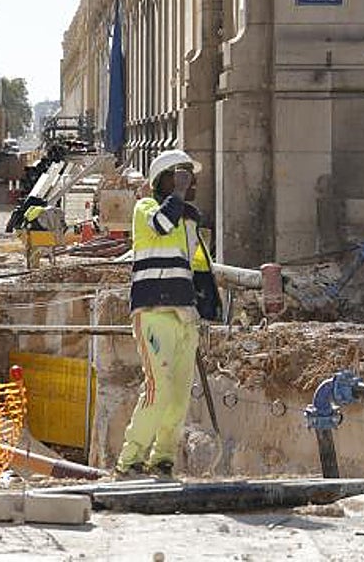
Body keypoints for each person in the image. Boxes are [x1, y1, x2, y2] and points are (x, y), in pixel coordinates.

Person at [115, 149, 221, 479]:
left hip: (184, 316)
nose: (189, 184)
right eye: (182, 177)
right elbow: (161, 225)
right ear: (164, 180)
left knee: (177, 397)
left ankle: (162, 459)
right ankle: (129, 460)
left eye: (189, 179)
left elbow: (197, 265)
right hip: (154, 313)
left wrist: (208, 302)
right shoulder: (145, 208)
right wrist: (176, 196)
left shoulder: (188, 219)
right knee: (157, 391)